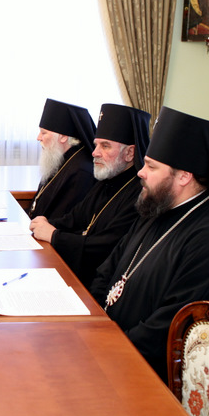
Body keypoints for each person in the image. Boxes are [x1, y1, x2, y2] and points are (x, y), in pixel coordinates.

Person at [88, 106, 209, 382]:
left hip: (147, 375)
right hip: (109, 344)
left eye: (151, 166)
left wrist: (104, 347)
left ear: (184, 175)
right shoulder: (157, 206)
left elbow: (168, 331)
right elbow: (108, 269)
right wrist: (93, 321)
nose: (140, 173)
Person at [30, 103, 150, 288]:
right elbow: (75, 217)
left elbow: (106, 247)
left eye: (105, 146)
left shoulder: (140, 194)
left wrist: (54, 236)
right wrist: (45, 223)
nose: (95, 153)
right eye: (96, 145)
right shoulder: (106, 179)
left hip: (97, 283)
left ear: (129, 153)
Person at [28, 98, 96, 221]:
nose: (38, 138)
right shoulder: (58, 158)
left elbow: (65, 220)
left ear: (63, 137)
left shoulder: (81, 171)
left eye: (43, 133)